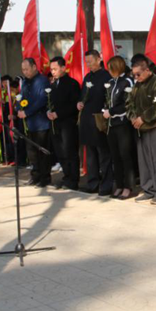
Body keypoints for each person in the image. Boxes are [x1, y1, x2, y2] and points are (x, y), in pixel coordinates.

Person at [128, 56, 156, 205]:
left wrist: (143, 118)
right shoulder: (137, 85)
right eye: (134, 75)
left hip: (154, 126)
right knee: (143, 160)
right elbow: (130, 103)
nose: (136, 77)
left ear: (147, 70)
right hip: (140, 128)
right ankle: (148, 189)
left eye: (138, 74)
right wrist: (132, 117)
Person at [77, 50, 113, 195]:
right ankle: (93, 183)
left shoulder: (106, 76)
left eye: (91, 61)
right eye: (86, 62)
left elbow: (108, 98)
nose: (88, 64)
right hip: (87, 121)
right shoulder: (87, 77)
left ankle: (106, 185)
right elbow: (82, 95)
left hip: (100, 120)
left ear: (99, 60)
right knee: (91, 155)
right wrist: (79, 103)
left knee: (104, 154)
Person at [103, 56, 137, 200]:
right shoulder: (110, 82)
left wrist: (111, 112)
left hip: (123, 124)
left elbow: (127, 104)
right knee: (114, 156)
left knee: (125, 156)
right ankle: (119, 185)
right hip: (111, 124)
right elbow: (108, 100)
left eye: (111, 68)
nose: (109, 71)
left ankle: (128, 187)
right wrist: (105, 109)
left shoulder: (127, 81)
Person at [47, 56, 81, 191]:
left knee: (70, 151)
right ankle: (66, 176)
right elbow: (49, 102)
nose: (53, 72)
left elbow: (74, 105)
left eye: (55, 69)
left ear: (63, 68)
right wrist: (49, 112)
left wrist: (59, 113)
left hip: (68, 123)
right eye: (51, 69)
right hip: (55, 124)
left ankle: (73, 180)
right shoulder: (53, 85)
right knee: (60, 152)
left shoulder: (72, 83)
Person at [19, 58, 52, 187]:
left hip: (41, 122)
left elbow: (42, 100)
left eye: (27, 69)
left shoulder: (42, 80)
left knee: (42, 152)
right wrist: (18, 108)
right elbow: (20, 97)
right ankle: (35, 175)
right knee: (31, 152)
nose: (25, 72)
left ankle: (45, 178)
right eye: (23, 70)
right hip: (29, 123)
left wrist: (27, 112)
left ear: (34, 67)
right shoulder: (25, 82)